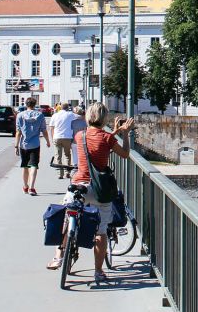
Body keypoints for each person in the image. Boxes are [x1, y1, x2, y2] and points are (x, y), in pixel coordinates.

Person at [47, 103, 136, 283]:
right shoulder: (107, 138)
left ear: (88, 117)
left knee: (66, 216)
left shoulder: (80, 135)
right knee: (101, 230)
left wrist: (115, 132)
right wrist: (124, 133)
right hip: (98, 190)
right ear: (104, 119)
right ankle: (98, 271)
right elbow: (124, 153)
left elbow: (95, 142)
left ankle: (58, 255)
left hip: (78, 184)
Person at [14, 97, 50, 195]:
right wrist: (48, 141)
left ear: (26, 104)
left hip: (23, 145)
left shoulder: (20, 115)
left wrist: (16, 146)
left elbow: (18, 132)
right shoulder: (40, 115)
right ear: (35, 104)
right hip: (35, 144)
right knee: (34, 165)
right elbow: (44, 130)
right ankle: (31, 187)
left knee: (25, 166)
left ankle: (25, 186)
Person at [49, 104, 77, 179]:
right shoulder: (70, 114)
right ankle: (67, 172)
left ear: (60, 108)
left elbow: (51, 127)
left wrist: (52, 137)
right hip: (67, 137)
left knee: (58, 155)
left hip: (57, 137)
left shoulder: (55, 115)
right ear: (68, 108)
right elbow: (79, 116)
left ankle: (60, 174)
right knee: (67, 154)